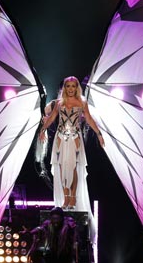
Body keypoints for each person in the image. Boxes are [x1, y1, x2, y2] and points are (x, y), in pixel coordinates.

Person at [39, 76, 104, 211]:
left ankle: (73, 195)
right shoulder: (58, 102)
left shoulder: (82, 102)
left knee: (72, 166)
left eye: (73, 86)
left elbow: (90, 119)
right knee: (62, 167)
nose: (70, 89)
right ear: (64, 88)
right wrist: (42, 130)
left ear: (77, 87)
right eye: (68, 86)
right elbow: (51, 118)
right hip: (60, 137)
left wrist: (99, 134)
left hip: (75, 137)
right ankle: (66, 197)